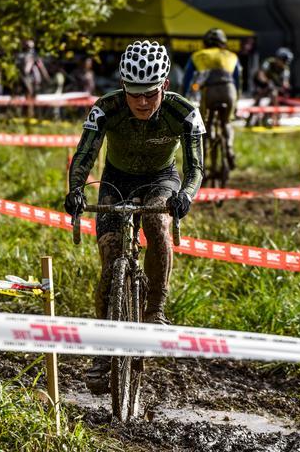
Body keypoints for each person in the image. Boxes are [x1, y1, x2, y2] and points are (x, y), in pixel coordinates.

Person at [63, 40, 205, 390]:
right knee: (111, 262)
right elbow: (85, 154)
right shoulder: (106, 107)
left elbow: (196, 168)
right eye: (134, 94)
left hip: (162, 179)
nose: (142, 102)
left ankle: (155, 310)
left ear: (165, 86)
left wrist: (185, 195)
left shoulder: (183, 112)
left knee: (157, 223)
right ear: (122, 86)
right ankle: (103, 352)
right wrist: (76, 189)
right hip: (116, 180)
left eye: (150, 94)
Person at [182, 28, 242, 169]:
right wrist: (237, 99)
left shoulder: (198, 55)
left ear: (205, 43)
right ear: (223, 43)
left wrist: (184, 95)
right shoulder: (232, 56)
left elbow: (187, 78)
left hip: (210, 91)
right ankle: (229, 148)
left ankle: (202, 159)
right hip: (229, 90)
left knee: (205, 124)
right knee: (227, 122)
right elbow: (238, 79)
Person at [249, 46, 294, 126]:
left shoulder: (285, 69)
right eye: (283, 61)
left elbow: (285, 82)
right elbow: (261, 74)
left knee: (274, 96)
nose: (284, 64)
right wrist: (267, 82)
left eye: (286, 62)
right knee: (258, 98)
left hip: (272, 86)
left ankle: (267, 118)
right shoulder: (269, 62)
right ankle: (250, 118)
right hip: (260, 83)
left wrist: (285, 86)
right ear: (278, 58)